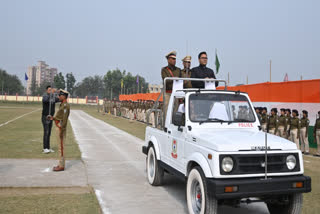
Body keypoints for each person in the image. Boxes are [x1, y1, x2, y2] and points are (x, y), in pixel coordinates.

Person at [48, 89, 70, 171]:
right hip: (58, 126)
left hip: (61, 128)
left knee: (61, 147)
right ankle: (60, 163)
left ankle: (61, 165)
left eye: (60, 95)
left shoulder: (65, 106)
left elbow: (64, 119)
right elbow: (60, 117)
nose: (58, 97)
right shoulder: (62, 104)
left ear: (64, 96)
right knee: (60, 147)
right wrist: (53, 118)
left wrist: (62, 131)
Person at [161, 51, 181, 116]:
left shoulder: (178, 70)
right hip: (168, 93)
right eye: (172, 59)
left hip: (176, 93)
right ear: (168, 59)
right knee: (167, 112)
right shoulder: (164, 70)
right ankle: (165, 126)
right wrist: (174, 79)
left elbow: (181, 80)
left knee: (175, 111)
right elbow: (165, 79)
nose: (174, 60)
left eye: (175, 59)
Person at [41, 85, 60, 154]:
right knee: (46, 132)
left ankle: (48, 147)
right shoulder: (45, 96)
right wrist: (51, 93)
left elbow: (59, 99)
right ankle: (45, 148)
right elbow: (45, 100)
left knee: (49, 133)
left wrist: (59, 93)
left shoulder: (53, 97)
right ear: (46, 91)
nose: (50, 91)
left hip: (51, 117)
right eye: (49, 90)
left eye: (51, 90)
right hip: (45, 116)